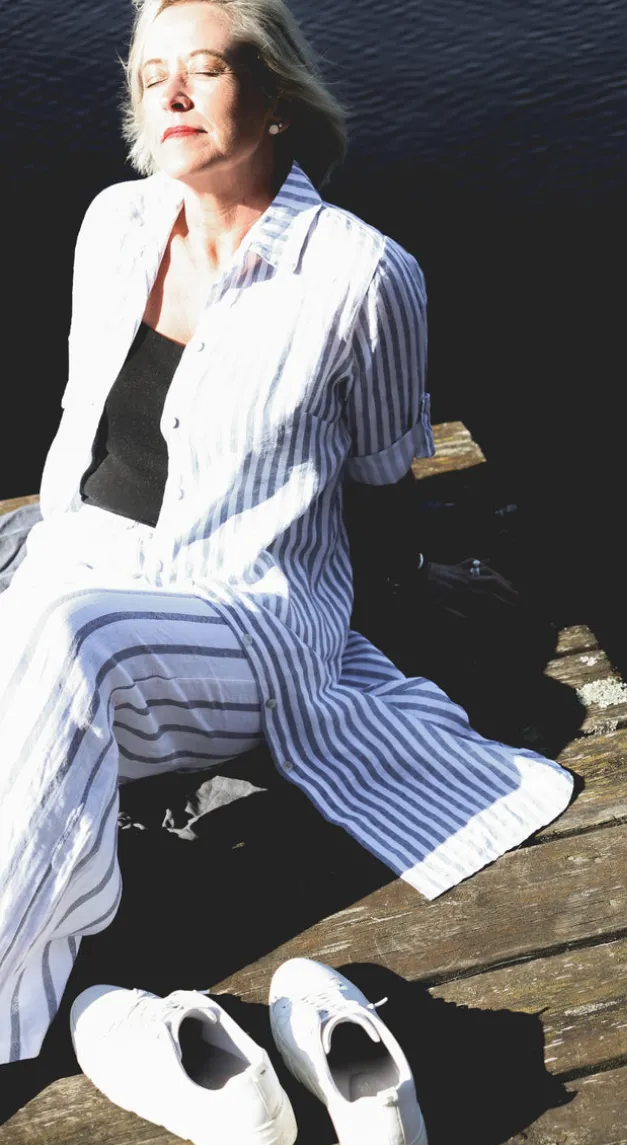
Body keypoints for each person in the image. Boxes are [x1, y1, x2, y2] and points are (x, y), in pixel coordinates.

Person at [0, 0, 574, 1066]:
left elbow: (382, 481)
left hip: (242, 612)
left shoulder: (362, 275)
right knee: (47, 637)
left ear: (274, 97)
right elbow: (91, 430)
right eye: (151, 74)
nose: (171, 93)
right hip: (82, 557)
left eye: (205, 68)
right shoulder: (112, 224)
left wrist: (413, 582)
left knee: (71, 644)